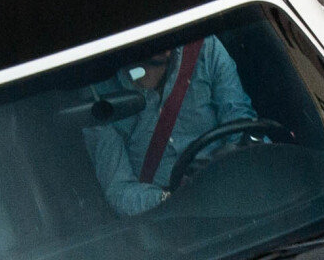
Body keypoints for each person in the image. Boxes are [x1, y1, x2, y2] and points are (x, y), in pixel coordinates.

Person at [86, 36, 255, 215]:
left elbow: (242, 127)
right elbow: (118, 190)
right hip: (166, 221)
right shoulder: (99, 95)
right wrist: (173, 199)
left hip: (232, 192)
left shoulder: (204, 48)